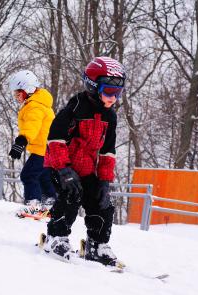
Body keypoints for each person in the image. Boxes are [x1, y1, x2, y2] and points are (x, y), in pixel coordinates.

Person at [42, 57, 125, 267]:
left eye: (117, 93)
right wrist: (64, 169)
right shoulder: (75, 108)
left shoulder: (110, 117)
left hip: (86, 169)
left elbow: (108, 152)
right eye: (109, 92)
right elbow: (55, 139)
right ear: (93, 86)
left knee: (101, 200)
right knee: (72, 194)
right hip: (60, 166)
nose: (112, 98)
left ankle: (96, 245)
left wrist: (104, 182)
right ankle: (56, 237)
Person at [8, 70, 56, 218]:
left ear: (28, 89)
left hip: (42, 150)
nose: (16, 97)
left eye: (18, 94)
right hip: (47, 149)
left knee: (28, 175)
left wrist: (22, 140)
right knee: (43, 176)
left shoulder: (34, 106)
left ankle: (33, 204)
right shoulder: (38, 103)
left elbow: (32, 125)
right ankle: (51, 204)